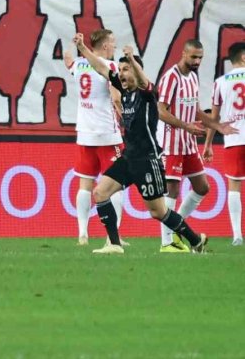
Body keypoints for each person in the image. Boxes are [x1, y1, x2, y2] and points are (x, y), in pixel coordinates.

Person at [72, 35, 208, 254]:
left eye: (126, 70)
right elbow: (100, 68)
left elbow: (145, 82)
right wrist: (83, 48)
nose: (122, 74)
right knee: (100, 193)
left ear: (135, 71)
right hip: (128, 158)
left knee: (159, 212)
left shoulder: (147, 95)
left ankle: (195, 240)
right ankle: (115, 245)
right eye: (121, 70)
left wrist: (132, 61)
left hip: (148, 160)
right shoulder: (123, 90)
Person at [156, 40, 233, 250]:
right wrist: (185, 126)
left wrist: (217, 126)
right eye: (193, 57)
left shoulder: (192, 77)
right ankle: (167, 243)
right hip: (171, 141)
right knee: (172, 190)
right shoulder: (171, 77)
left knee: (202, 187)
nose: (197, 61)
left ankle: (178, 227)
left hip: (188, 142)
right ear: (184, 53)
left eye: (200, 57)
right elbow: (161, 111)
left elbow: (197, 111)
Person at [63, 29, 125, 246]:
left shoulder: (79, 65)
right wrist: (124, 115)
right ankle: (113, 235)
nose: (115, 47)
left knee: (85, 185)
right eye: (113, 43)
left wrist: (74, 44)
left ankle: (82, 233)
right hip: (107, 133)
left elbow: (67, 60)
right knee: (116, 184)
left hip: (85, 133)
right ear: (105, 45)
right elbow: (116, 97)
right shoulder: (111, 67)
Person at [203, 42, 245, 246]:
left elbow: (214, 116)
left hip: (235, 139)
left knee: (234, 186)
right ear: (243, 57)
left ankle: (237, 235)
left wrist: (208, 143)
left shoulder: (221, 82)